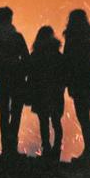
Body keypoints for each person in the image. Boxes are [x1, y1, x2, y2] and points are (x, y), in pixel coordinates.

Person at [0, 6, 29, 158]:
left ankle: (6, 148)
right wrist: (23, 73)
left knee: (4, 113)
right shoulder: (17, 37)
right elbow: (26, 58)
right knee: (16, 113)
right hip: (17, 80)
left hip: (1, 80)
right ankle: (12, 147)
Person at [63, 9, 90, 164]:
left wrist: (68, 80)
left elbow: (67, 61)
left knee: (83, 117)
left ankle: (89, 153)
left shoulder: (72, 39)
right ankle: (89, 152)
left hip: (79, 84)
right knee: (87, 117)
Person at [27, 25, 66, 161]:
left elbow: (30, 75)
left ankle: (46, 149)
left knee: (43, 122)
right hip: (56, 93)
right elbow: (64, 74)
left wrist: (29, 92)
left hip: (40, 93)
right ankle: (57, 149)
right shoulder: (58, 55)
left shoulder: (35, 55)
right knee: (56, 121)